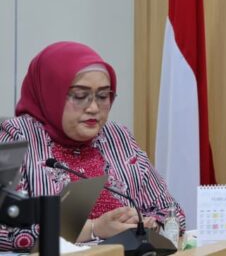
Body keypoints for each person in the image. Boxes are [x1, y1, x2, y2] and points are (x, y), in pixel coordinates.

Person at [0, 42, 185, 251]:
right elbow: (4, 232)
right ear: (51, 93)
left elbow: (173, 214)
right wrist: (94, 228)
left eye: (103, 96)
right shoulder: (16, 135)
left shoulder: (118, 136)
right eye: (80, 96)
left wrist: (145, 224)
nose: (94, 108)